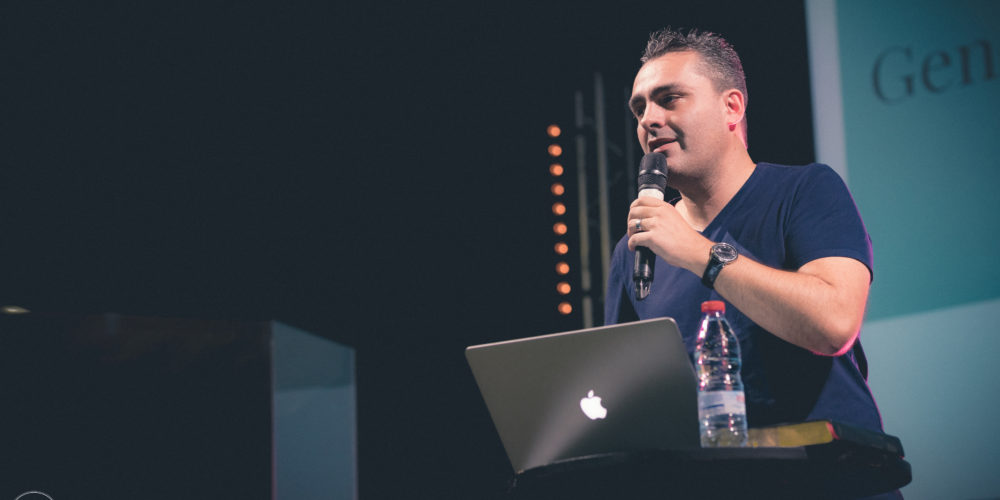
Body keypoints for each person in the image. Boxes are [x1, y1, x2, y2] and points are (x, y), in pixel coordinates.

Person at [606, 27, 889, 446]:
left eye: (670, 99)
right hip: (709, 474)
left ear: (732, 107)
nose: (648, 119)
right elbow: (621, 394)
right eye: (639, 108)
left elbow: (834, 325)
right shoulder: (635, 247)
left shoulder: (805, 191)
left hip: (825, 469)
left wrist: (699, 252)